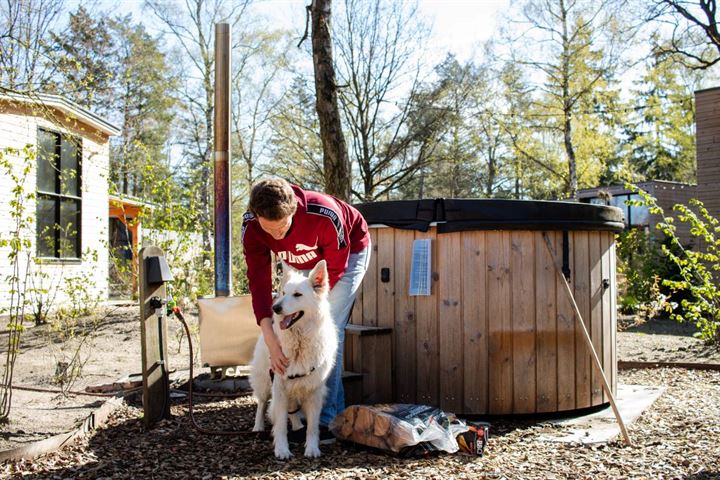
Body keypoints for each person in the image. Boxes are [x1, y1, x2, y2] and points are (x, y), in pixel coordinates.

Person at [242, 177, 371, 442]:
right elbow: (259, 283)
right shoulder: (251, 226)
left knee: (327, 326)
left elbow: (329, 277)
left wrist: (309, 303)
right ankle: (293, 405)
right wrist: (271, 340)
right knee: (288, 321)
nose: (275, 236)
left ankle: (326, 420)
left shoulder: (324, 215)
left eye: (281, 228)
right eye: (269, 230)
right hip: (299, 262)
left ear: (293, 211)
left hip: (345, 257)